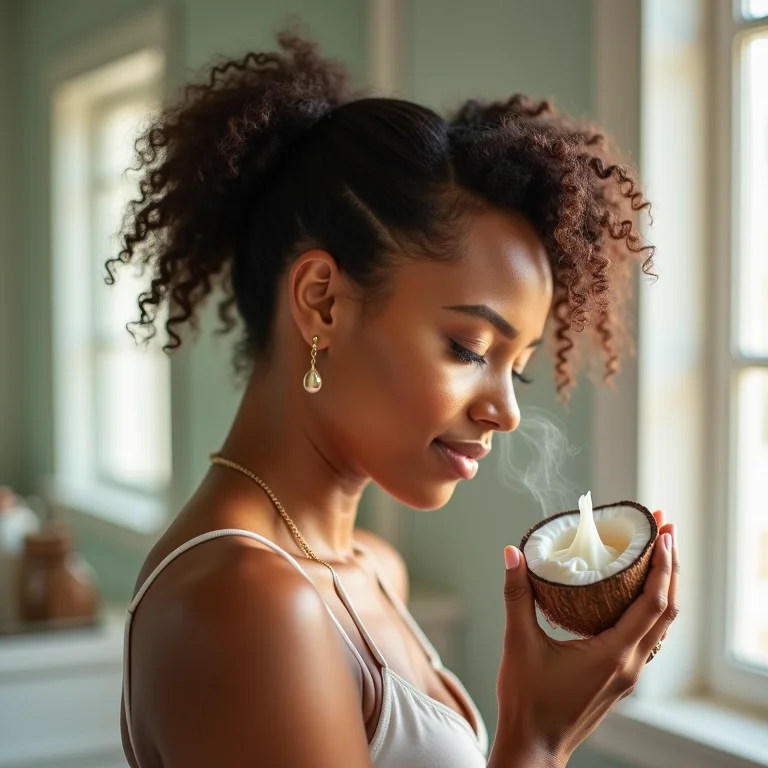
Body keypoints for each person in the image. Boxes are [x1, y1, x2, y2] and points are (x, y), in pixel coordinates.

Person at [112, 30, 679, 768]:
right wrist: (536, 741)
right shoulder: (243, 604)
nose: (505, 412)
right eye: (470, 348)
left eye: (520, 367)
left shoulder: (373, 567)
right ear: (321, 302)